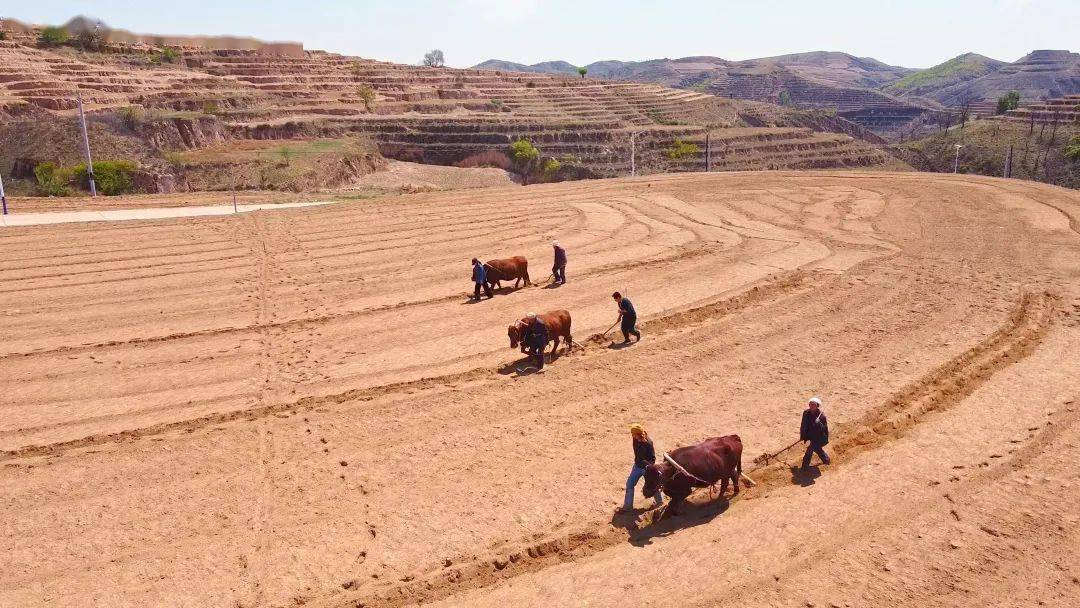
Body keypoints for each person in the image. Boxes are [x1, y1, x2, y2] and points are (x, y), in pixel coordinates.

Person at [618, 424, 663, 512]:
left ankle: (659, 503)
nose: (632, 435)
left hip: (646, 468)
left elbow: (653, 458)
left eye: (633, 433)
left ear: (638, 434)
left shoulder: (648, 443)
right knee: (629, 484)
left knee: (651, 484)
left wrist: (648, 467)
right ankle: (628, 507)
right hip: (637, 466)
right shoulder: (635, 439)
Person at [800, 396, 831, 470]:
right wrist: (802, 435)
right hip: (810, 434)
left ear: (817, 406)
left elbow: (824, 429)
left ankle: (804, 466)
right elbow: (803, 424)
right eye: (810, 404)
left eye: (813, 405)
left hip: (818, 437)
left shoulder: (822, 417)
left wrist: (819, 423)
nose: (811, 406)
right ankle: (826, 460)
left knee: (810, 450)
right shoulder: (806, 413)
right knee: (817, 449)